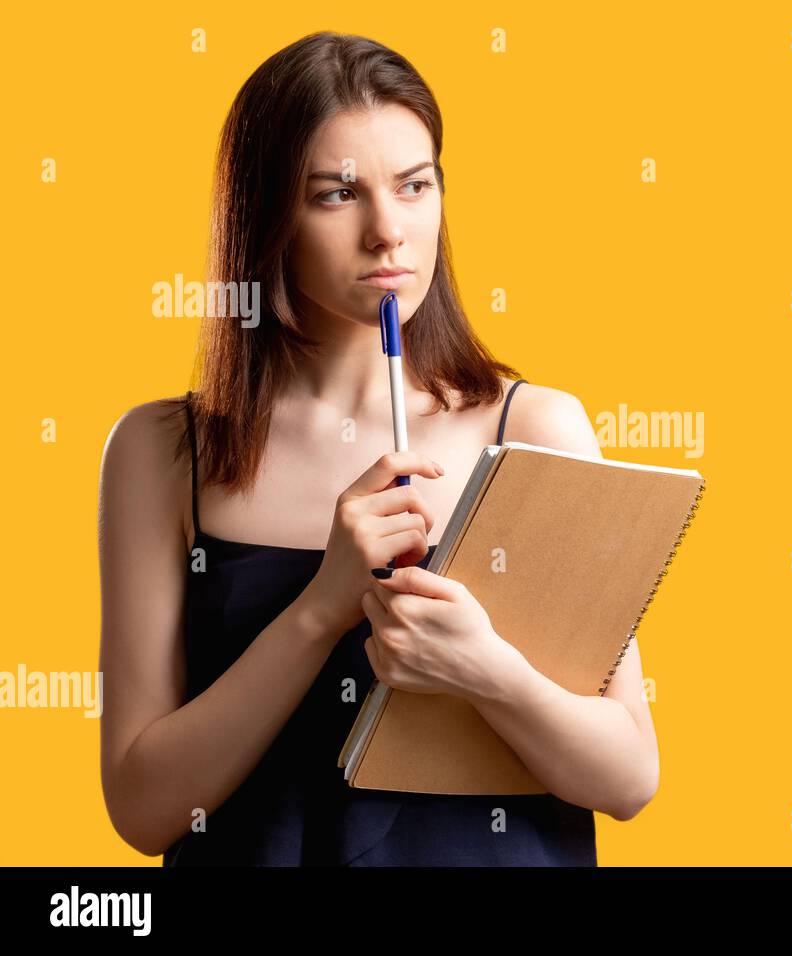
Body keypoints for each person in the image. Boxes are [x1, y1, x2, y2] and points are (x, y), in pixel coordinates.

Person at [97, 32, 659, 866]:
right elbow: (143, 809)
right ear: (267, 215)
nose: (388, 232)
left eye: (414, 185)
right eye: (337, 195)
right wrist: (321, 609)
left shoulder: (536, 431)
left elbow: (627, 778)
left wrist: (485, 671)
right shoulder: (160, 452)